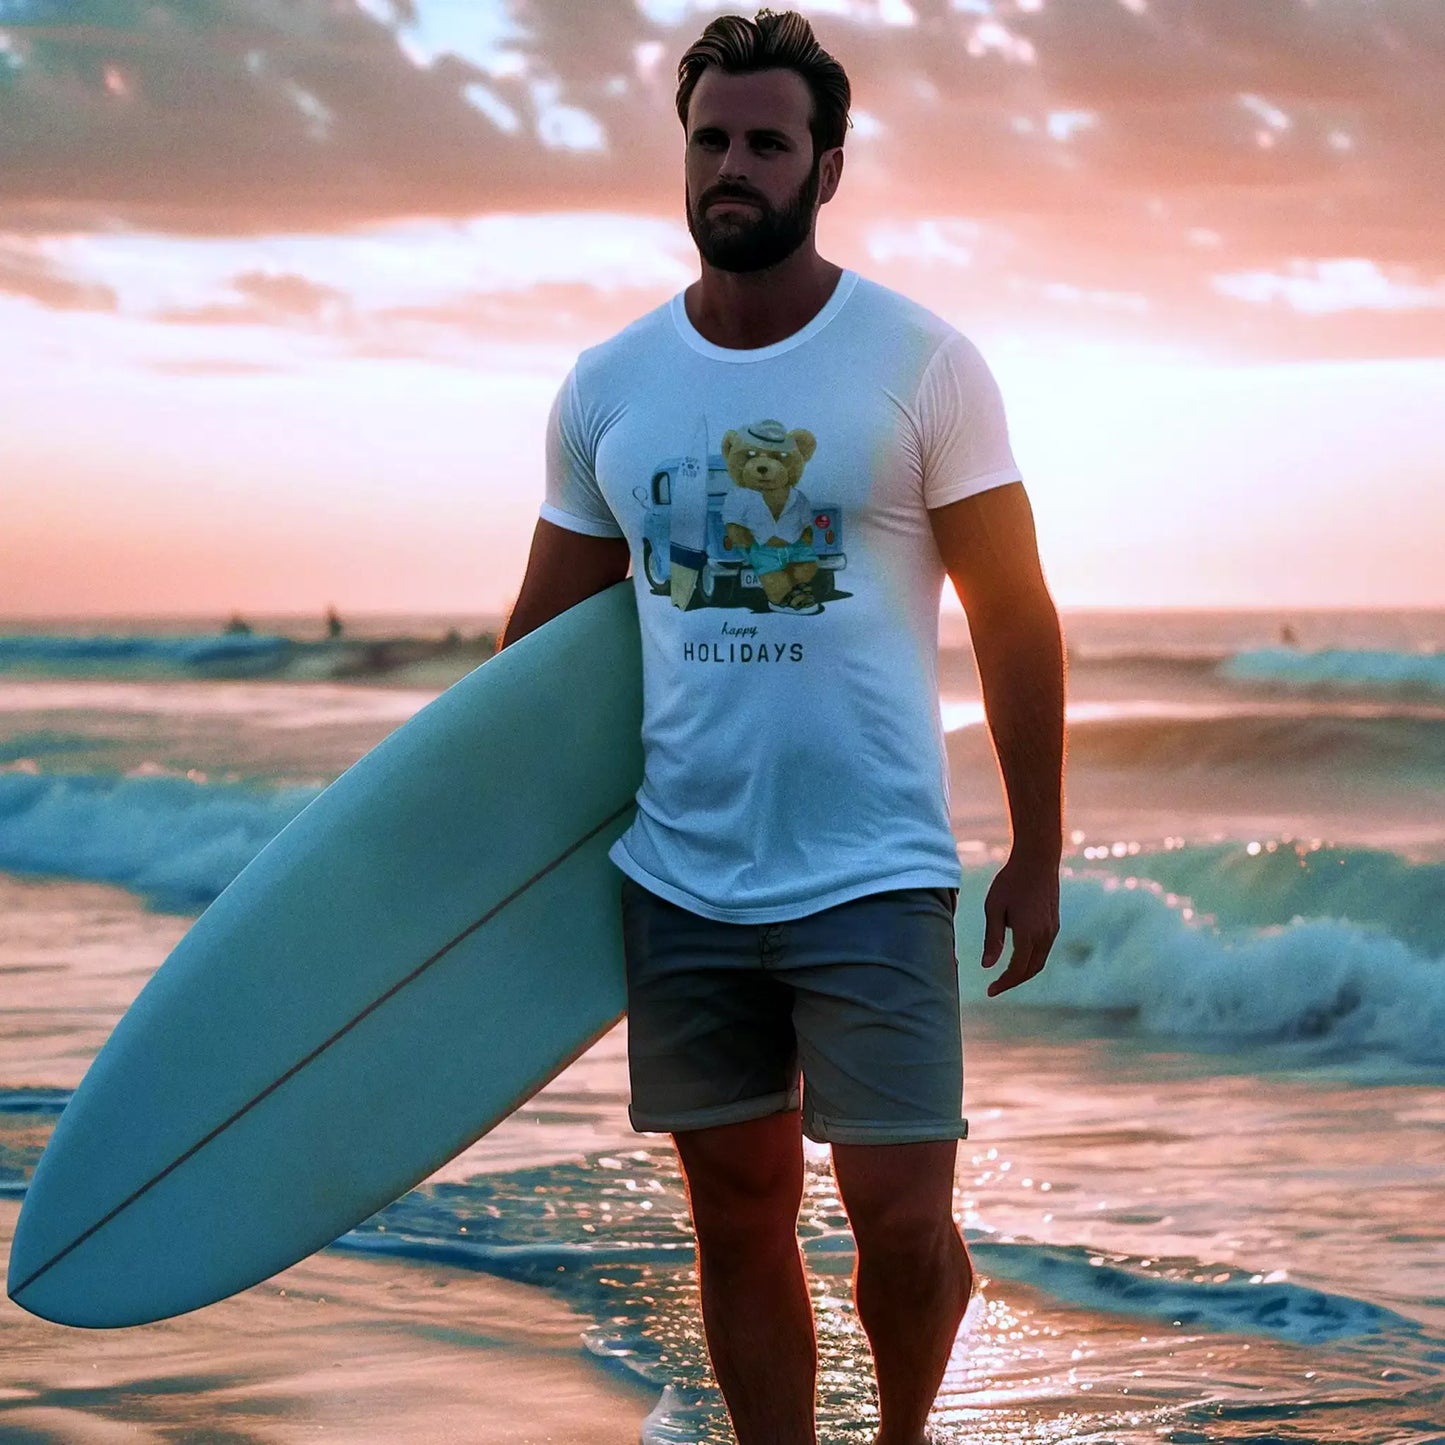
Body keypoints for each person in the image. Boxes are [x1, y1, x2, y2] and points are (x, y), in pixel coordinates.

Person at [500, 11, 1065, 1443]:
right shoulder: (609, 383)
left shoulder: (919, 361)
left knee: (900, 1215)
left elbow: (1012, 615)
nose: (731, 167)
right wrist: (502, 866)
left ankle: (903, 1430)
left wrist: (1036, 844)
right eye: (709, 141)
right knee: (738, 1212)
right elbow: (540, 646)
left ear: (825, 165)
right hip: (680, 869)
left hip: (869, 862)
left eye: (765, 141)